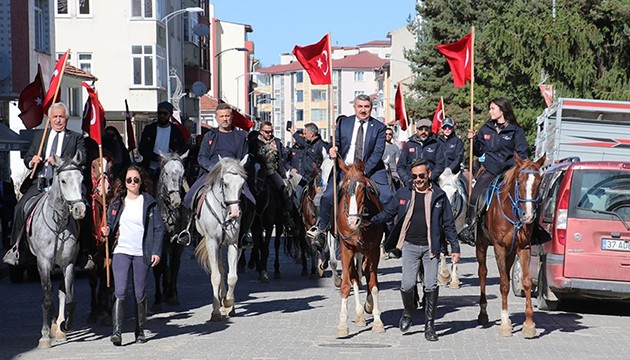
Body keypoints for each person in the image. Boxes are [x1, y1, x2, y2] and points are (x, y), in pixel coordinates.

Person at [371, 159, 460, 341]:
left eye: (421, 176)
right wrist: (369, 220)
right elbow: (388, 213)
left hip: (431, 248)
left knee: (431, 285)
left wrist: (455, 248)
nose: (418, 179)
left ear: (428, 174)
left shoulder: (439, 195)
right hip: (410, 246)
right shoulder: (404, 193)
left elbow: (449, 224)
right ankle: (408, 312)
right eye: (414, 176)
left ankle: (430, 326)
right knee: (407, 284)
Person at [4, 102, 86, 266]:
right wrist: (32, 160)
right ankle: (18, 249)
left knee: (84, 210)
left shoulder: (75, 137)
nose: (58, 120)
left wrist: (60, 162)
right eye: (54, 117)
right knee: (20, 208)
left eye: (61, 117)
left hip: (65, 187)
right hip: (40, 182)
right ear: (49, 119)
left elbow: (82, 157)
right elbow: (28, 157)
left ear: (67, 119)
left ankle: (84, 251)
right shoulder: (40, 136)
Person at [309, 94, 393, 251]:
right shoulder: (343, 123)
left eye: (366, 107)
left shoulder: (379, 127)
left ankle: (390, 235)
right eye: (360, 106)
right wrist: (332, 150)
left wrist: (363, 171)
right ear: (355, 107)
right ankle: (322, 230)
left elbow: (378, 152)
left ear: (371, 108)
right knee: (328, 196)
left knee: (388, 197)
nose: (363, 110)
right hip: (345, 168)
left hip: (371, 169)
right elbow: (335, 144)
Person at [101, 165, 163, 346]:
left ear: (141, 181)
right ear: (124, 183)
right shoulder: (117, 202)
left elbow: (159, 229)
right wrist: (106, 230)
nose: (133, 183)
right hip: (121, 251)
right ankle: (117, 332)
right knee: (119, 291)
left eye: (136, 179)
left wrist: (156, 251)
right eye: (129, 180)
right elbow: (110, 225)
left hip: (141, 251)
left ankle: (140, 330)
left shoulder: (150, 203)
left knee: (139, 292)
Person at [457, 97, 528, 245]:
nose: (490, 112)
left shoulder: (516, 130)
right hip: (491, 170)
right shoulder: (486, 129)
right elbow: (479, 151)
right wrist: (474, 140)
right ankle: (471, 228)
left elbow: (522, 153)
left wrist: (515, 168)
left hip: (510, 171)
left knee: (527, 195)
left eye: (492, 109)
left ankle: (530, 230)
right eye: (490, 109)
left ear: (502, 110)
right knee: (475, 196)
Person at [180, 103, 254, 245]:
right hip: (210, 173)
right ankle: (188, 230)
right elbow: (201, 157)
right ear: (216, 118)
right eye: (221, 116)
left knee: (251, 201)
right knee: (188, 198)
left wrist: (236, 169)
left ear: (232, 117)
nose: (224, 119)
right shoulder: (210, 136)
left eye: (227, 116)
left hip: (233, 175)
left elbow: (246, 157)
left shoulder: (240, 137)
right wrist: (215, 169)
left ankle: (245, 233)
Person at [249, 121, 295, 231]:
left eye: (271, 132)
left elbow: (281, 158)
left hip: (272, 171)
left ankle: (286, 215)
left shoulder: (277, 142)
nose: (269, 134)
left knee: (284, 189)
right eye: (266, 132)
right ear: (261, 131)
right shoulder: (254, 142)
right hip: (257, 171)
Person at [138, 101, 189, 181]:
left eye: (165, 113)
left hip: (170, 169)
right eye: (160, 113)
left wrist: (172, 158)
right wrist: (156, 157)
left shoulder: (176, 131)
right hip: (151, 168)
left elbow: (183, 148)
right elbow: (142, 148)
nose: (162, 116)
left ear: (170, 114)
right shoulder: (149, 129)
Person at [288, 123, 328, 207]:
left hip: (317, 180)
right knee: (297, 194)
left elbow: (326, 165)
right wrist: (293, 133)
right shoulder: (308, 144)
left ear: (311, 134)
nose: (304, 136)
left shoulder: (322, 146)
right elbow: (301, 141)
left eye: (305, 133)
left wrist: (321, 182)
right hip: (306, 177)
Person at [397, 118, 445, 185]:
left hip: (431, 183)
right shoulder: (409, 144)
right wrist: (407, 180)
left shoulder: (437, 144)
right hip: (411, 182)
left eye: (426, 129)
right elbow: (400, 166)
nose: (423, 132)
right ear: (416, 130)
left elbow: (440, 165)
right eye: (421, 129)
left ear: (430, 130)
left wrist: (430, 178)